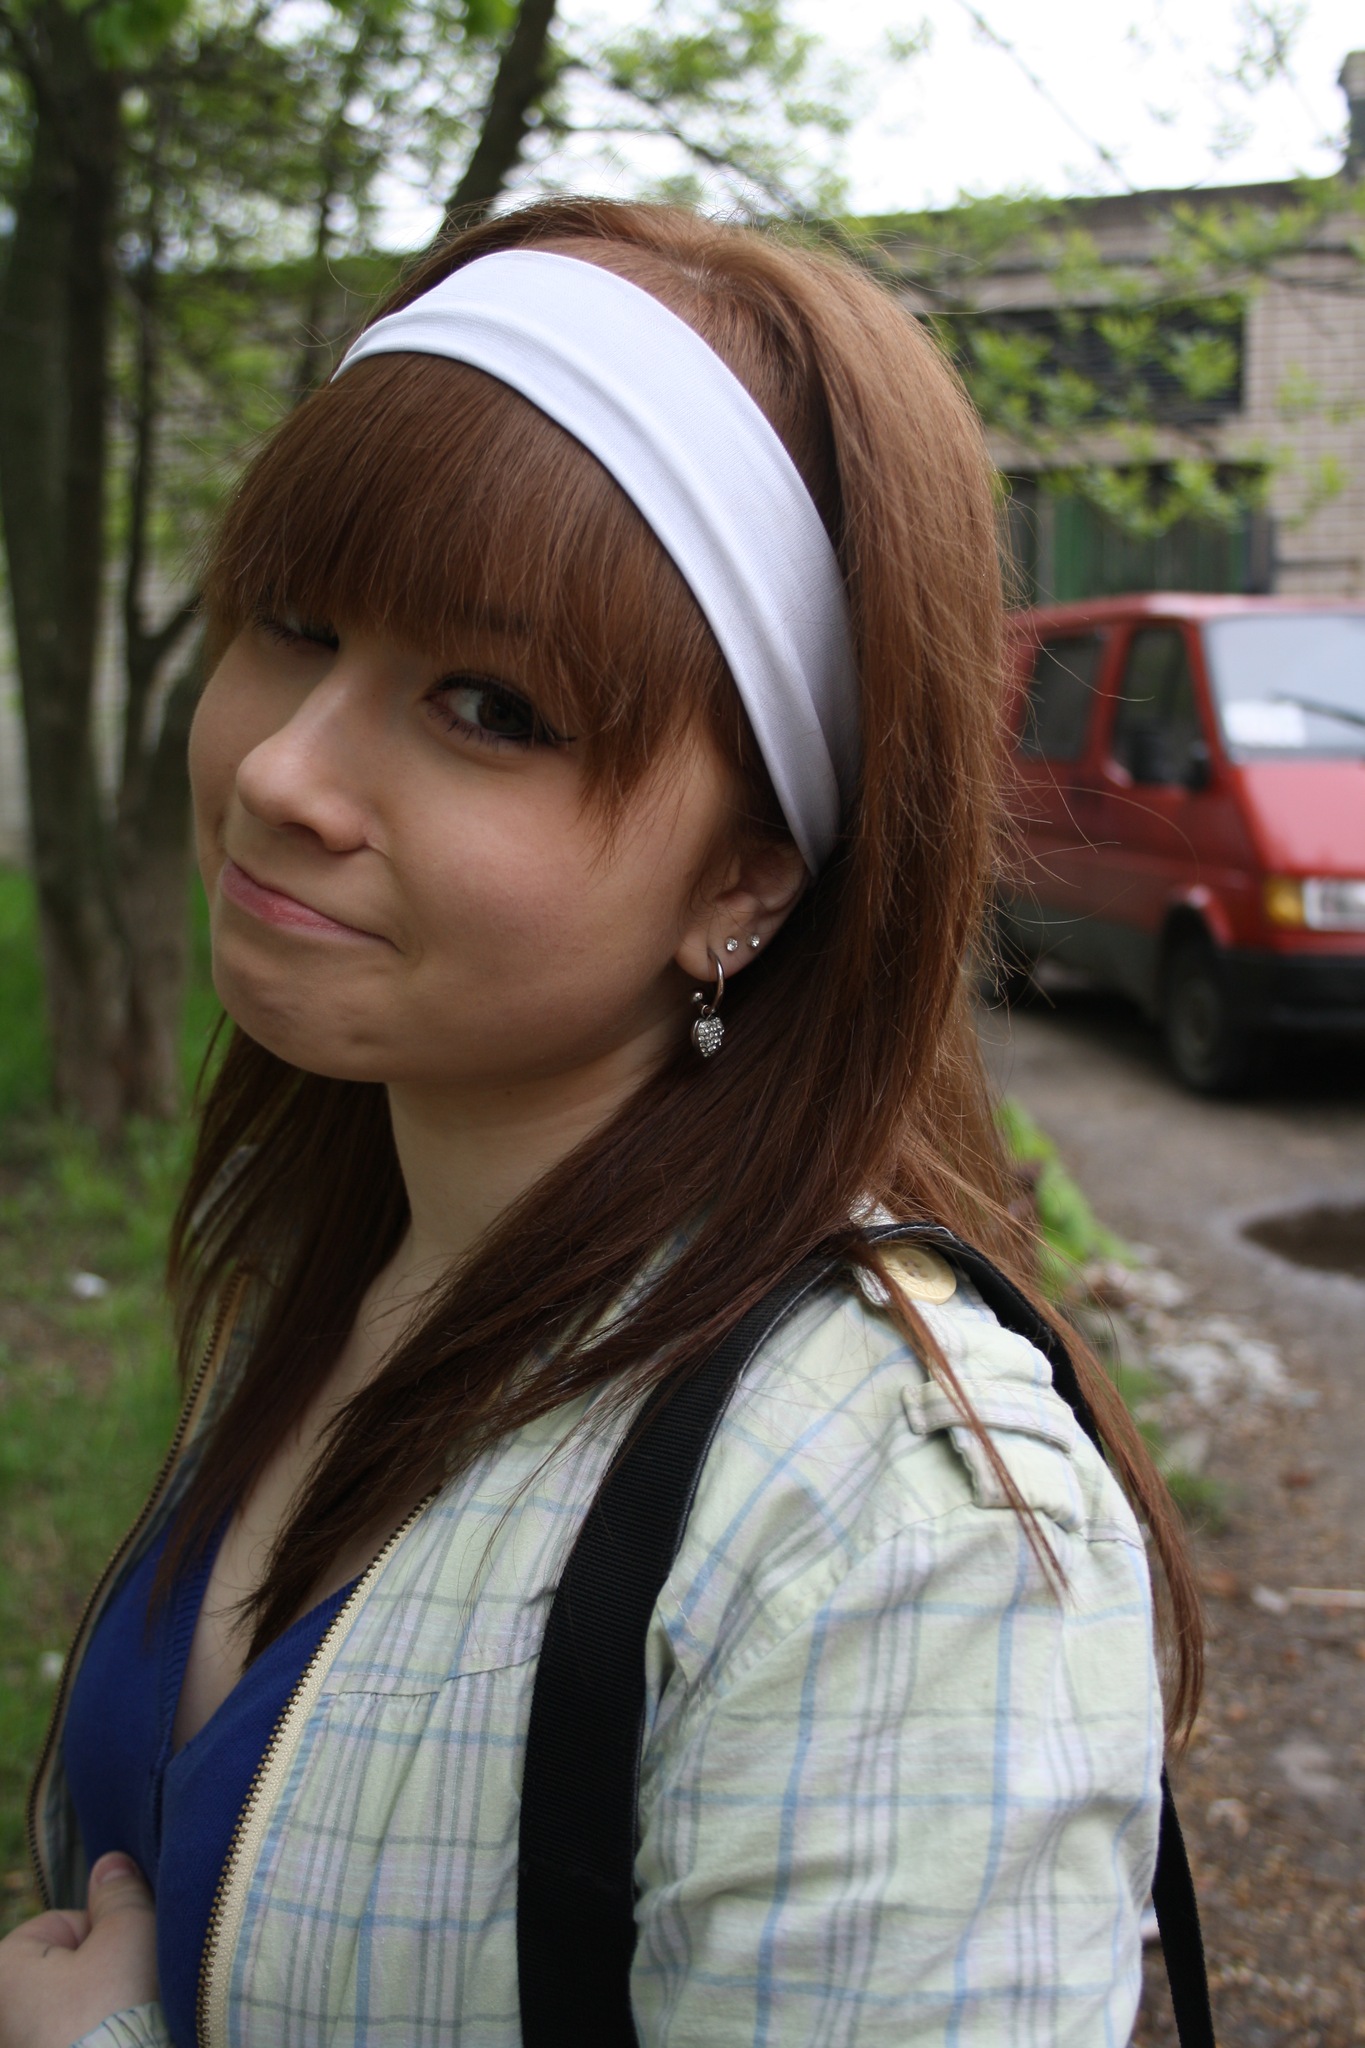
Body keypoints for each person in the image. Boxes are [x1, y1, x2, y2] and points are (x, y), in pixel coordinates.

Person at [3, 198, 1199, 2048]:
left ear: (741, 878)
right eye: (293, 624)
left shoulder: (889, 1538)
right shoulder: (344, 1257)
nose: (283, 770)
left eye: (487, 708)